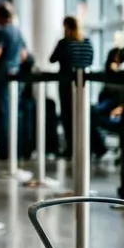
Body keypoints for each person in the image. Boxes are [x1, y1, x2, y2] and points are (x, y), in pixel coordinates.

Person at [0, 2, 28, 159]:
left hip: (2, 78)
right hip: (16, 76)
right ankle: (17, 148)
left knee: (2, 114)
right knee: (14, 112)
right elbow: (24, 56)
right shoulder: (18, 32)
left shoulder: (1, 33)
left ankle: (4, 150)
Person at [49, 16, 95, 158]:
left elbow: (52, 59)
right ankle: (85, 146)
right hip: (84, 85)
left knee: (67, 117)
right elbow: (90, 60)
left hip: (66, 84)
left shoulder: (64, 43)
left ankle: (71, 148)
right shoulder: (87, 42)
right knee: (82, 116)